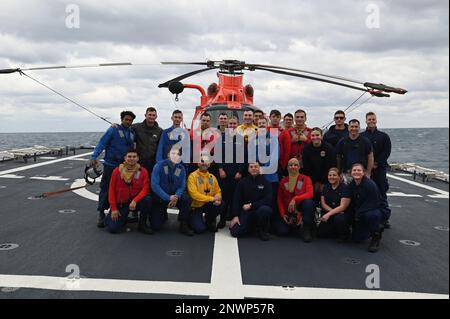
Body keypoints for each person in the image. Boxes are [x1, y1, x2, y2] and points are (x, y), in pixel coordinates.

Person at [91, 110, 136, 228]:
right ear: (122, 119)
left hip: (125, 167)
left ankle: (119, 212)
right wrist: (94, 156)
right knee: (106, 189)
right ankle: (101, 213)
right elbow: (102, 143)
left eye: (130, 120)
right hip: (111, 165)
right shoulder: (113, 129)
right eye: (126, 119)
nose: (128, 121)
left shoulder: (132, 132)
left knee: (123, 190)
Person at [105, 149, 152, 234]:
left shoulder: (143, 171)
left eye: (134, 157)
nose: (132, 158)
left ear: (138, 158)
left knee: (147, 200)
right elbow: (111, 189)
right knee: (113, 228)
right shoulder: (117, 171)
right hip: (122, 203)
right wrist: (114, 208)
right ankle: (121, 218)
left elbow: (145, 189)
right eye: (129, 156)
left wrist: (135, 200)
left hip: (134, 202)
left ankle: (142, 224)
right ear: (125, 158)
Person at [151, 146, 193, 236]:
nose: (175, 156)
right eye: (173, 153)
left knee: (186, 199)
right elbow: (154, 185)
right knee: (156, 226)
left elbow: (182, 186)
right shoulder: (159, 166)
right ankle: (162, 214)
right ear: (168, 155)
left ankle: (183, 224)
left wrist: (176, 196)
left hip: (175, 196)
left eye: (178, 154)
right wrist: (168, 197)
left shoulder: (181, 168)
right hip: (161, 197)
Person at [361, 112, 392, 228]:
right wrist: (367, 165)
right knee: (365, 193)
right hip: (365, 170)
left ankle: (384, 219)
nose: (371, 121)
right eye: (369, 119)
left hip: (379, 170)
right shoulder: (362, 136)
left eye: (373, 119)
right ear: (366, 121)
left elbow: (386, 152)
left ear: (376, 120)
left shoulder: (384, 136)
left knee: (381, 193)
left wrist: (376, 163)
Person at [230, 162, 273, 241]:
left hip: (259, 210)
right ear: (248, 169)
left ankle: (262, 230)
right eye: (251, 167)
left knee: (265, 210)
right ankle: (250, 227)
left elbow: (268, 200)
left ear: (259, 169)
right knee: (235, 232)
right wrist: (235, 216)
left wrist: (251, 205)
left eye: (256, 166)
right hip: (246, 212)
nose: (253, 168)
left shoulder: (266, 183)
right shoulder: (242, 182)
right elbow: (236, 199)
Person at [274, 158, 315, 242]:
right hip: (288, 210)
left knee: (309, 203)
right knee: (282, 231)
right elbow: (279, 199)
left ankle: (306, 228)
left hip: (300, 208)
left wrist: (295, 199)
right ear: (288, 167)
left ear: (299, 167)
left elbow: (310, 194)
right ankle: (293, 226)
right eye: (291, 165)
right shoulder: (283, 181)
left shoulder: (306, 179)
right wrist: (282, 214)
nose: (293, 167)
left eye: (296, 165)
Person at [349, 163, 384, 252]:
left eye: (359, 170)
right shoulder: (352, 184)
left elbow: (373, 203)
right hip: (361, 211)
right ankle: (367, 230)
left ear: (363, 173)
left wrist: (358, 214)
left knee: (371, 215)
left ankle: (376, 235)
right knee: (357, 239)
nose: (356, 172)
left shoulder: (370, 185)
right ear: (351, 173)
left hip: (374, 210)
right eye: (354, 170)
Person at [187, 156, 225, 233]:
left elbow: (218, 191)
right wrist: (212, 199)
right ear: (198, 163)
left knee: (221, 204)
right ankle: (190, 218)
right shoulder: (192, 176)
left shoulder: (212, 177)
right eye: (202, 161)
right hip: (196, 206)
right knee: (199, 229)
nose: (204, 163)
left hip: (208, 205)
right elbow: (194, 194)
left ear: (209, 164)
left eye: (206, 161)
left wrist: (218, 197)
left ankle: (209, 220)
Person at [217, 117, 242, 228]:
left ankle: (233, 219)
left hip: (236, 174)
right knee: (224, 197)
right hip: (224, 173)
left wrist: (240, 171)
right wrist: (220, 169)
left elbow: (244, 157)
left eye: (234, 123)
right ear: (227, 124)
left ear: (238, 124)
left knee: (234, 198)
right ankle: (222, 220)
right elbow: (218, 155)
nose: (232, 125)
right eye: (230, 123)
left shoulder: (241, 139)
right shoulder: (221, 138)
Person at [317, 167, 352, 241]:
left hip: (342, 214)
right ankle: (334, 230)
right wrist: (331, 213)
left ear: (339, 177)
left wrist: (329, 214)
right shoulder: (325, 187)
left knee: (339, 219)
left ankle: (344, 234)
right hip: (331, 213)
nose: (331, 177)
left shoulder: (345, 188)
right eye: (330, 175)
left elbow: (343, 207)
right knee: (321, 234)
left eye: (334, 175)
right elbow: (323, 204)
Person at [301, 127, 336, 201]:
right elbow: (307, 167)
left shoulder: (328, 148)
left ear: (321, 136)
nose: (315, 137)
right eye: (313, 136)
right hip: (311, 179)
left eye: (317, 135)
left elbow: (330, 165)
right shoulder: (306, 149)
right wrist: (315, 182)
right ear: (310, 137)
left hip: (326, 179)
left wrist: (322, 182)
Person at [132, 106, 163, 175]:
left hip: (153, 164)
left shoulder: (160, 131)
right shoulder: (136, 127)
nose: (151, 117)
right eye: (149, 115)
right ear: (145, 115)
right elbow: (125, 128)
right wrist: (115, 125)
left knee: (151, 183)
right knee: (138, 182)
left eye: (153, 115)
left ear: (156, 117)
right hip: (139, 163)